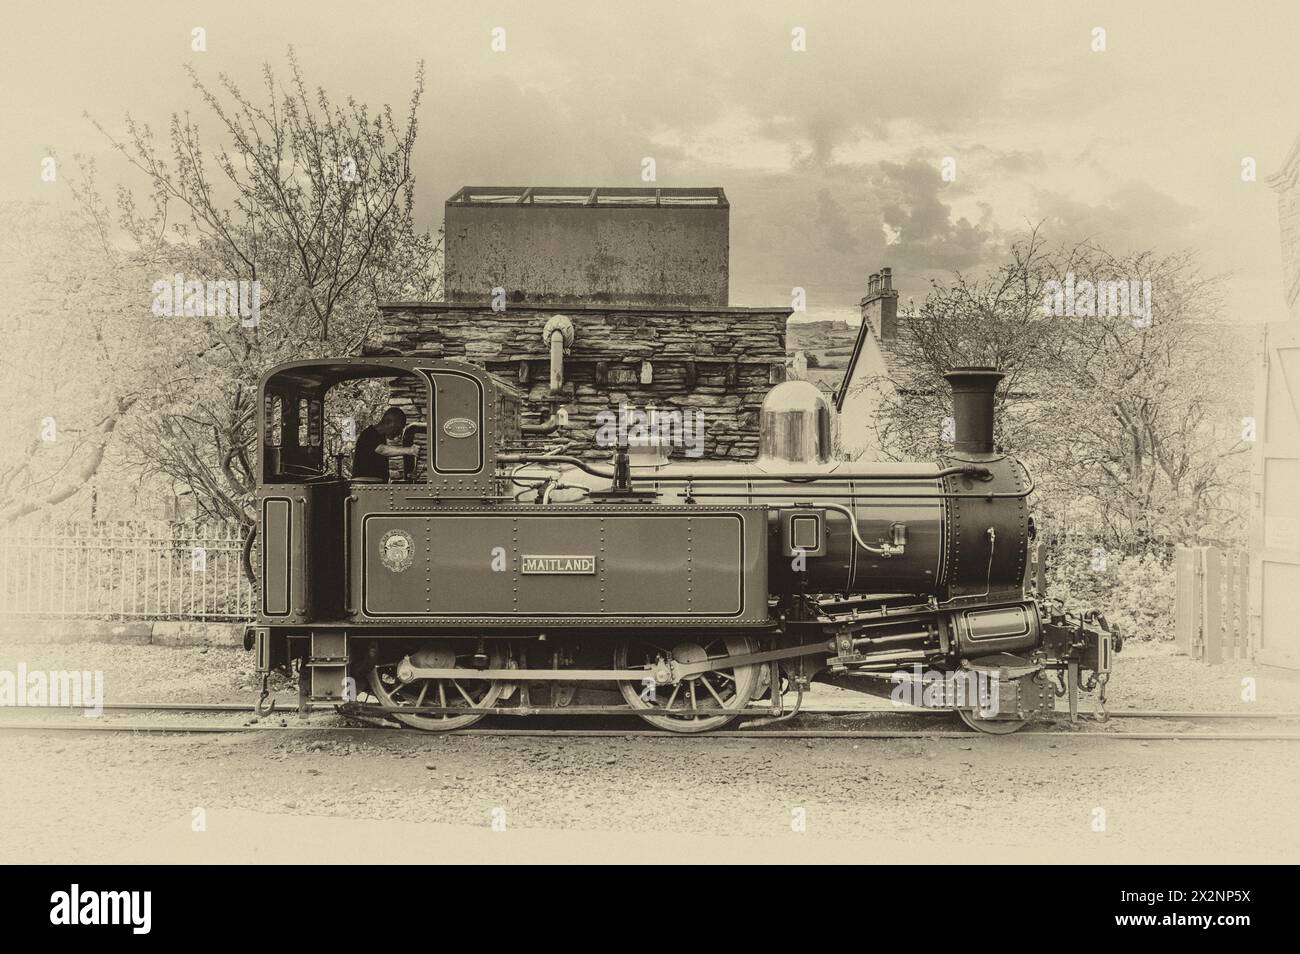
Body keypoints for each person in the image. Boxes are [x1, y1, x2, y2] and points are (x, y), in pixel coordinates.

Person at [352, 407, 417, 482]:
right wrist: (410, 450)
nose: (398, 433)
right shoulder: (369, 434)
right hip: (364, 485)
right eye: (398, 428)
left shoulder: (380, 437)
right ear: (388, 422)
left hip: (372, 485)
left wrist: (399, 474)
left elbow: (372, 467)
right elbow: (382, 450)